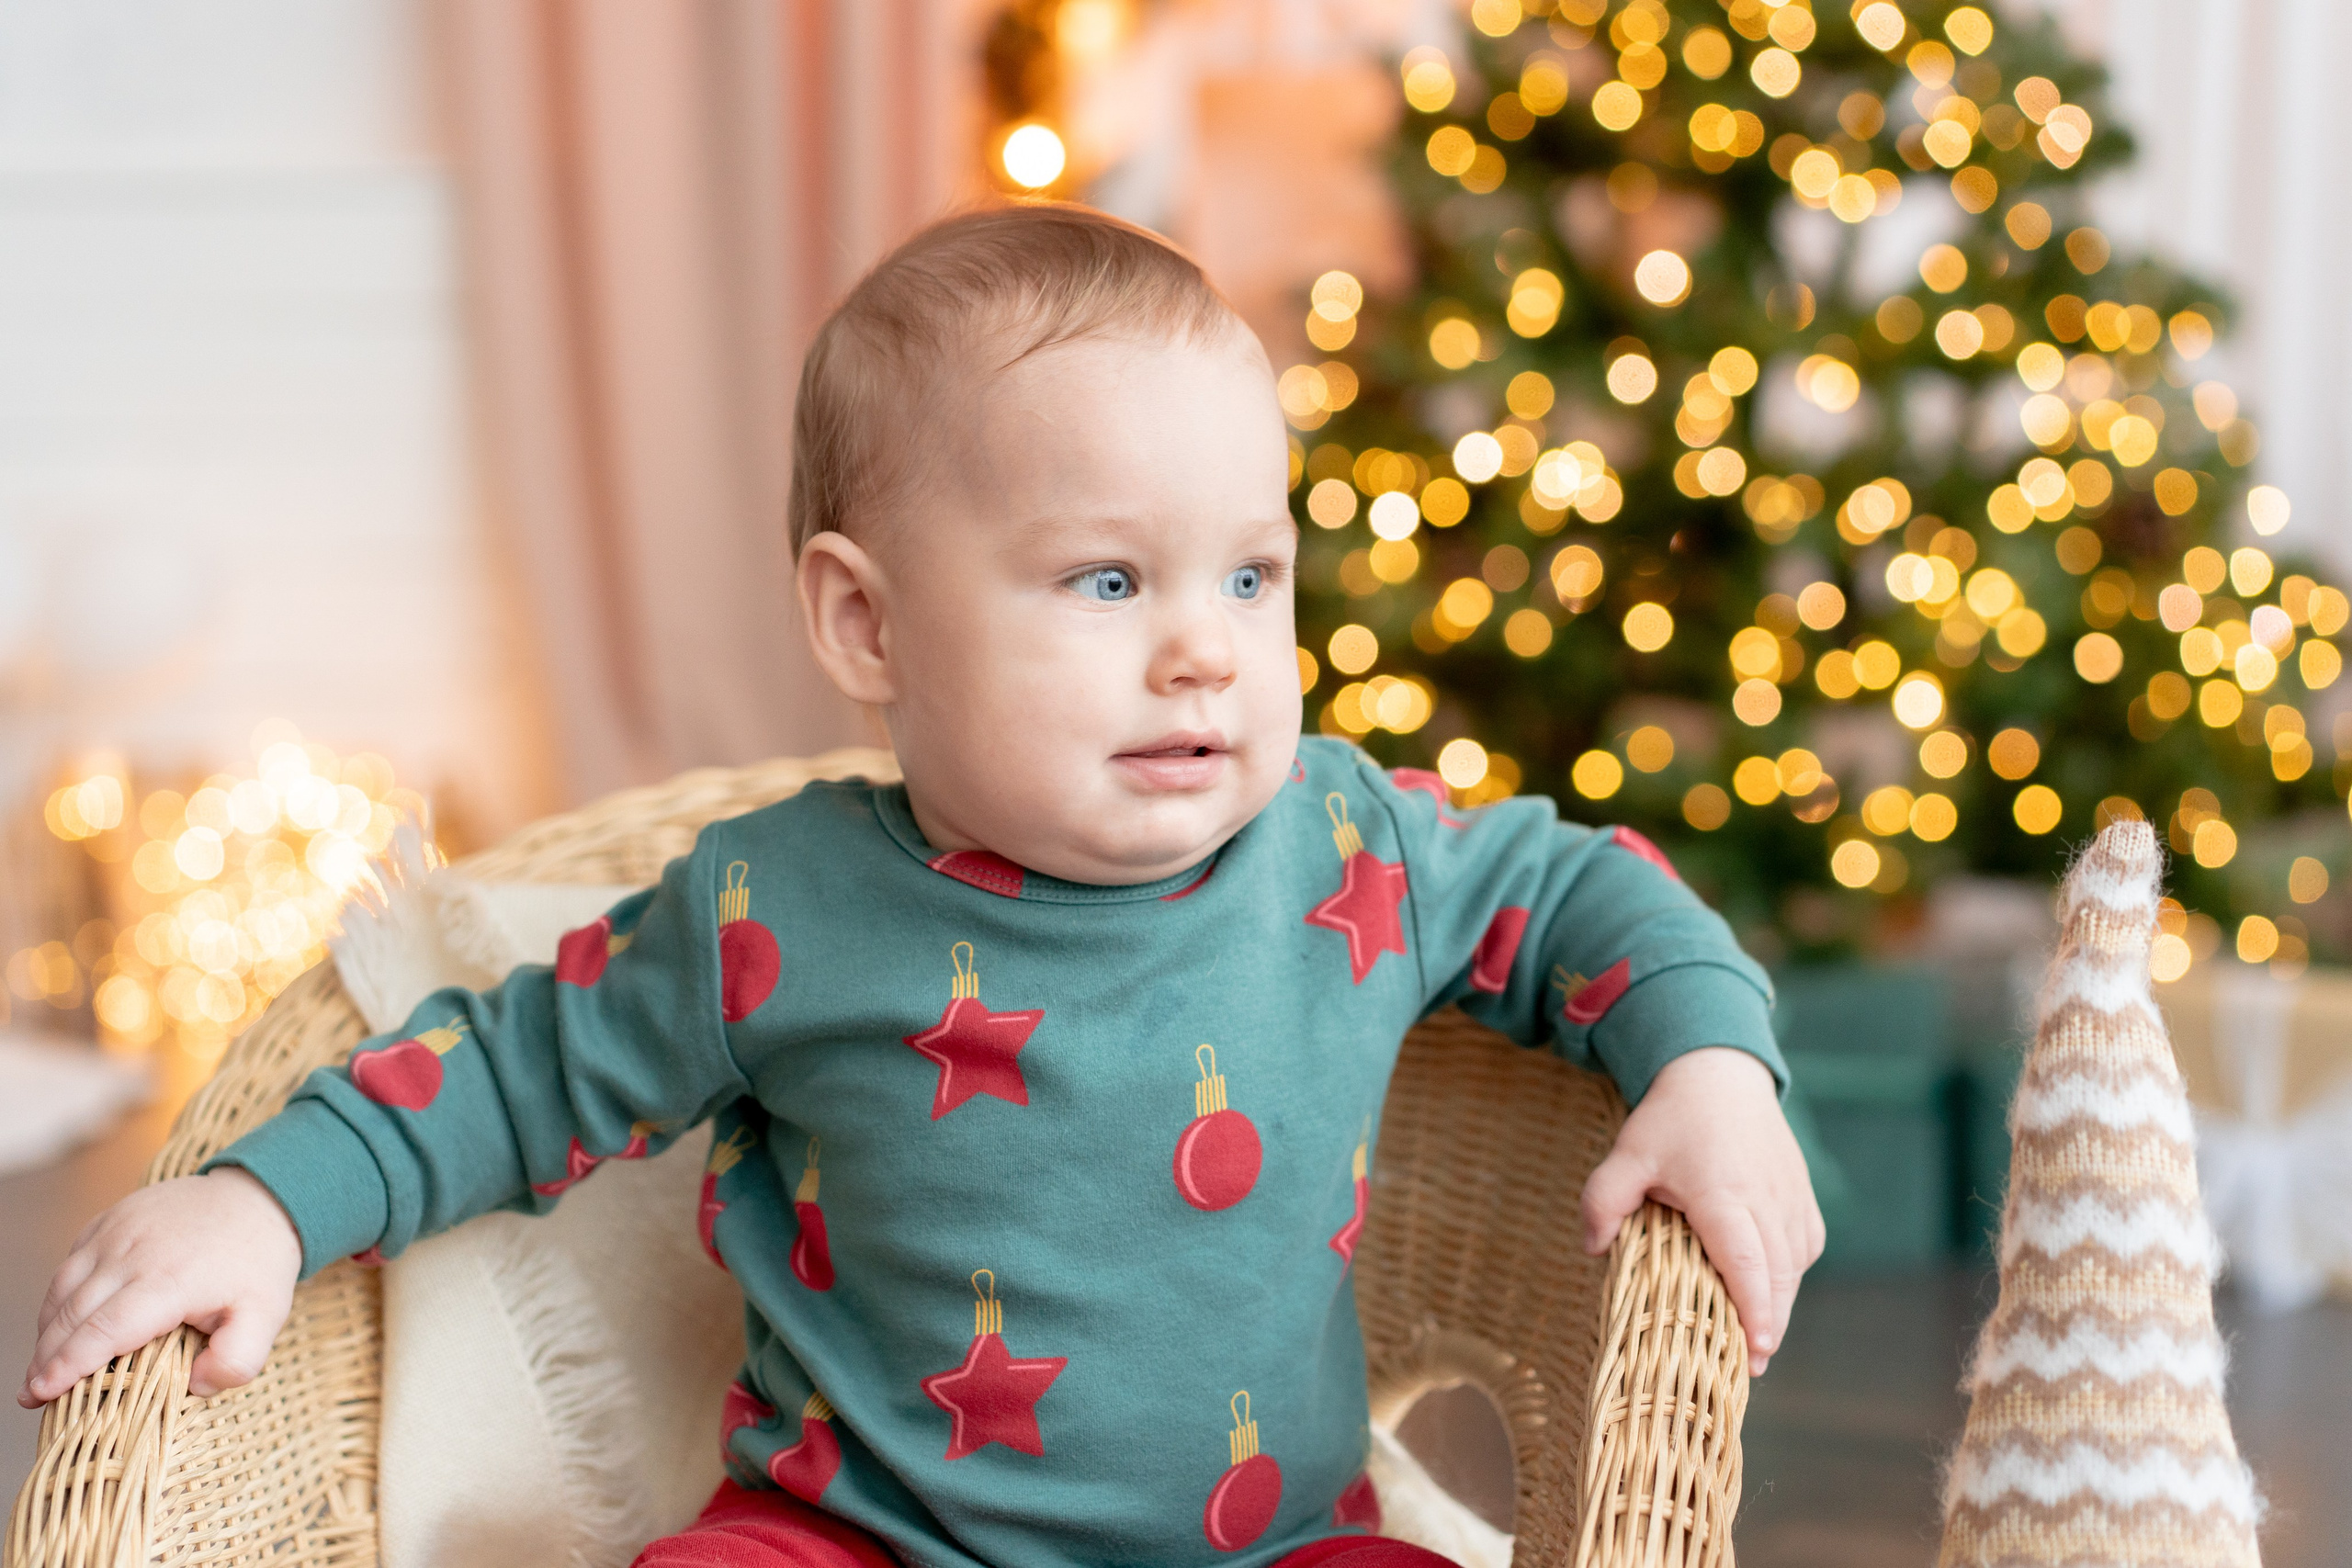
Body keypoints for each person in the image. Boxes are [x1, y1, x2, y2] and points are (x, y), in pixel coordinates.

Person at [20, 205, 1822, 1568]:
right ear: (864, 621)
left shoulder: (1348, 844)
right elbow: (501, 1066)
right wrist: (264, 1203)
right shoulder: (774, 906)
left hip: (1264, 1545)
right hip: (858, 1541)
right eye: (1107, 582)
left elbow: (1599, 896)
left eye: (1251, 577)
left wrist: (1709, 1069)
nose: (1204, 650)